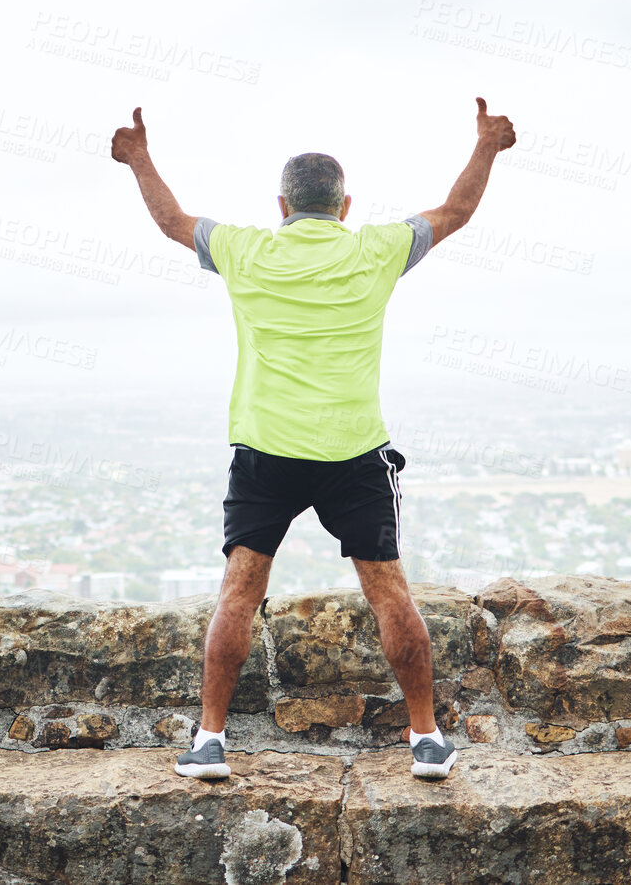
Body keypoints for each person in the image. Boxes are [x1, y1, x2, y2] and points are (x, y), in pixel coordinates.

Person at [109, 98, 517, 781]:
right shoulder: (374, 249)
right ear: (344, 205)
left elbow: (170, 221)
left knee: (238, 593)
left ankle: (209, 740)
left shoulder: (246, 250)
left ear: (280, 206)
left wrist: (137, 158)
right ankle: (425, 738)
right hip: (353, 453)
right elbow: (455, 213)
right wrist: (486, 148)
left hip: (265, 451)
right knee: (389, 593)